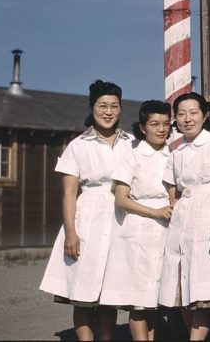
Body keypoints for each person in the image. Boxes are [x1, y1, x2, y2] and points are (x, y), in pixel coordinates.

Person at [39, 79, 133, 341]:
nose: (108, 111)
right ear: (92, 107)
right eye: (102, 105)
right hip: (88, 218)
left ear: (120, 109)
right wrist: (71, 232)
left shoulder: (131, 143)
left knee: (107, 292)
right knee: (82, 292)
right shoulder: (78, 145)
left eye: (114, 106)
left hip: (121, 218)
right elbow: (69, 194)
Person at [100, 100, 174, 340]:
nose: (161, 129)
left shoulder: (173, 154)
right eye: (154, 124)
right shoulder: (132, 156)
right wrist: (154, 212)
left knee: (153, 297)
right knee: (137, 301)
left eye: (165, 124)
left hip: (165, 228)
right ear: (143, 128)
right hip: (137, 229)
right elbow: (121, 200)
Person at [158, 92, 210, 341]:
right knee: (181, 287)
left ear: (204, 114)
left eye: (193, 112)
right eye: (182, 114)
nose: (187, 119)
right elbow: (171, 190)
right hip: (181, 220)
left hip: (208, 216)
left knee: (203, 289)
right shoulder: (175, 150)